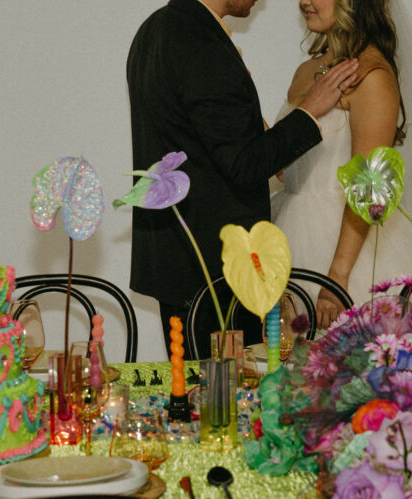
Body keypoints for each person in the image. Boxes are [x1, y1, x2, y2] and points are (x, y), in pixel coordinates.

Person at [127, 0, 359, 359]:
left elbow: (213, 146)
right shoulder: (202, 43)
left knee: (200, 396)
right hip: (219, 271)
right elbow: (246, 165)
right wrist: (309, 111)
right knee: (228, 403)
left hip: (179, 260)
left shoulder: (154, 30)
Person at [271, 0, 412, 327]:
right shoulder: (307, 71)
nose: (304, 1)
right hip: (287, 232)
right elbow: (286, 172)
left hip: (343, 250)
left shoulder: (372, 75)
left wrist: (336, 279)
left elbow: (370, 188)